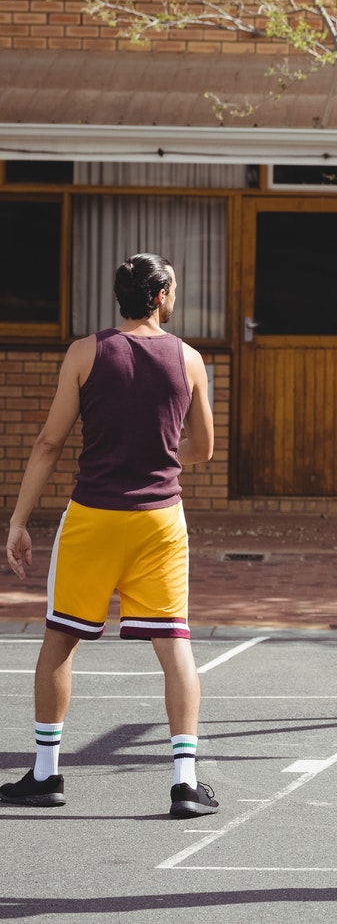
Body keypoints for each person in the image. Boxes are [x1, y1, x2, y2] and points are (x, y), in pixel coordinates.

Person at [2, 254, 220, 817]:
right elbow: (203, 450)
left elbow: (49, 443)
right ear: (162, 295)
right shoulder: (189, 359)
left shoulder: (85, 352)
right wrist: (162, 449)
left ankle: (47, 775)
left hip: (93, 517)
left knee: (60, 638)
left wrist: (19, 520)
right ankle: (184, 783)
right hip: (159, 520)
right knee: (175, 646)